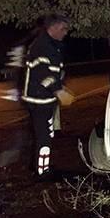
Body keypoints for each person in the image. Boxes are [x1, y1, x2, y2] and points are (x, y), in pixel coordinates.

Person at [21, 14, 74, 179]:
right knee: (44, 136)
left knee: (47, 134)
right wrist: (58, 90)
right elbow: (43, 74)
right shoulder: (42, 47)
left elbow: (54, 72)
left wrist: (60, 86)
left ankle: (42, 165)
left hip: (46, 98)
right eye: (63, 29)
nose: (66, 32)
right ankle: (42, 172)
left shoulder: (51, 45)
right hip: (38, 100)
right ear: (53, 28)